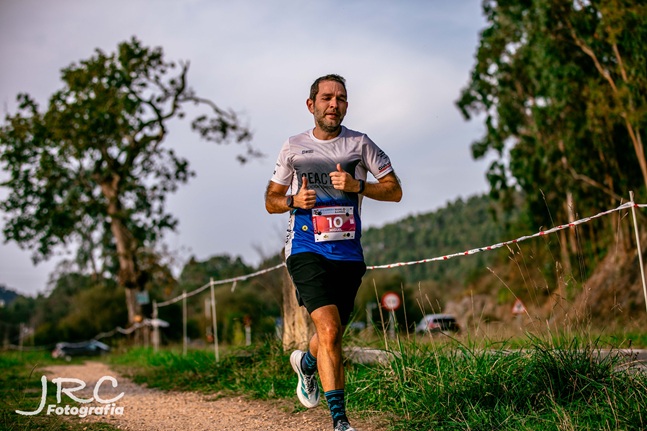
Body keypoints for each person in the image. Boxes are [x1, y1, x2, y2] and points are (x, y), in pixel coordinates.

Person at [264, 74, 402, 431]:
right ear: (311, 105)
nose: (333, 104)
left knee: (333, 332)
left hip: (348, 254)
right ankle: (340, 422)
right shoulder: (293, 147)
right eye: (326, 98)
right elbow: (270, 200)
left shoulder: (360, 144)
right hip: (305, 248)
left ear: (346, 105)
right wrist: (294, 200)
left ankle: (307, 364)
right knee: (327, 328)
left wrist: (359, 186)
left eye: (340, 98)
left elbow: (395, 190)